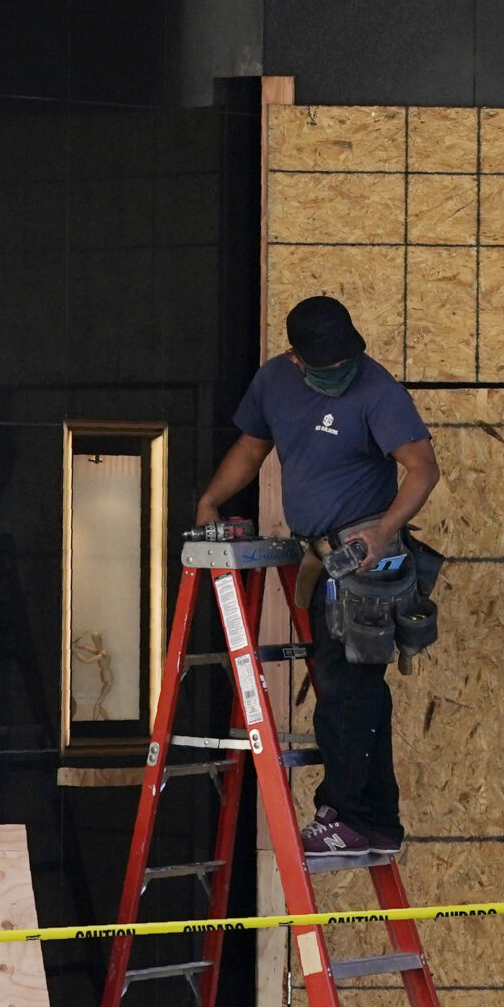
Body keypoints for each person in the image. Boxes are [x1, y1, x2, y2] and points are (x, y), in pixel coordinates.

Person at [194, 295, 438, 856]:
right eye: (323, 367)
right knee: (351, 689)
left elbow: (423, 469)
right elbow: (252, 448)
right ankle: (374, 822)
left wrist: (382, 533)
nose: (338, 374)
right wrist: (211, 500)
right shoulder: (273, 383)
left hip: (363, 560)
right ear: (295, 358)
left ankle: (348, 815)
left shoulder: (377, 390)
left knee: (347, 689)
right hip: (320, 557)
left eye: (343, 363)